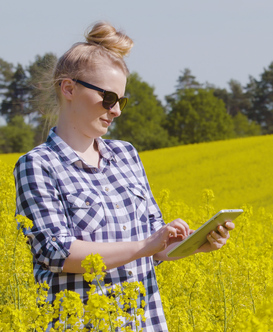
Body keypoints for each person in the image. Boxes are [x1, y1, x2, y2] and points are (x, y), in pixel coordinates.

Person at [13, 21, 234, 331]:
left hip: (144, 323)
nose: (116, 110)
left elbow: (155, 245)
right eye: (108, 98)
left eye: (121, 101)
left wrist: (195, 244)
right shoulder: (38, 165)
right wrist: (147, 245)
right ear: (69, 88)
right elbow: (58, 253)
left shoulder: (126, 156)